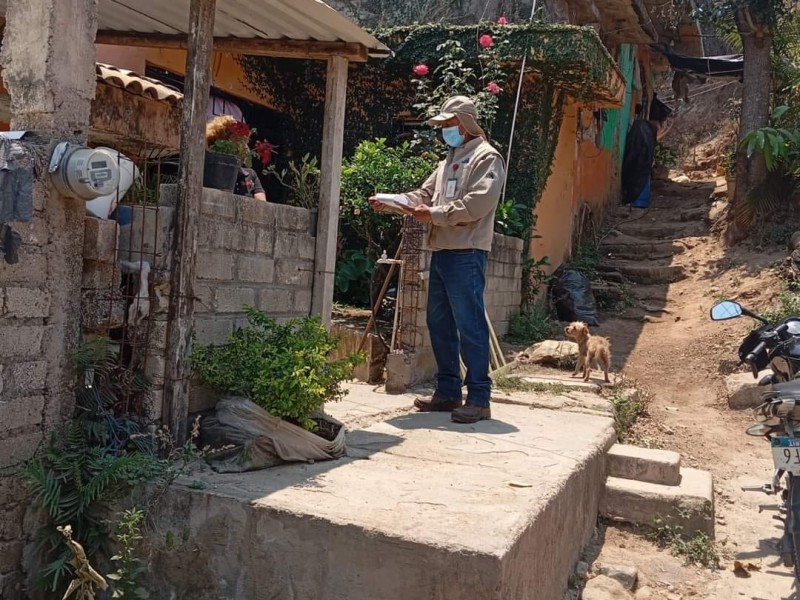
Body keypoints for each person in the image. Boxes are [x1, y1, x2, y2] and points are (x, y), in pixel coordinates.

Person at [369, 95, 505, 424]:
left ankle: (479, 398)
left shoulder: (487, 158)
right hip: (442, 250)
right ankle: (447, 392)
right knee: (439, 324)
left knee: (470, 325)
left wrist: (433, 214)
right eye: (442, 125)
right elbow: (424, 195)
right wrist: (395, 202)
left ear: (466, 122)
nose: (444, 130)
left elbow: (476, 204)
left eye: (448, 124)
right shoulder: (448, 161)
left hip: (467, 252)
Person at [620, 96, 672, 209]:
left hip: (634, 166)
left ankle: (634, 200)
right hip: (640, 168)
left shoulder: (641, 127)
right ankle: (638, 201)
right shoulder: (646, 130)